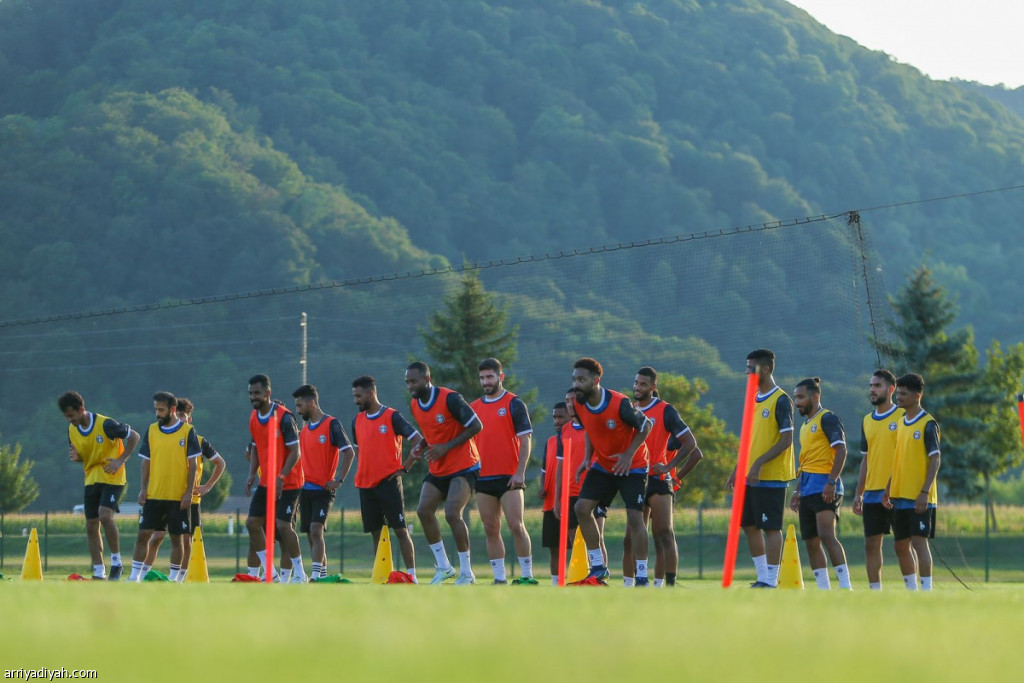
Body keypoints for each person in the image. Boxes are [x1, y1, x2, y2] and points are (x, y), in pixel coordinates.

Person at [570, 358, 653, 585]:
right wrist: (587, 458)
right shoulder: (578, 403)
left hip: (633, 466)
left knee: (635, 518)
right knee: (581, 508)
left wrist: (628, 455)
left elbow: (646, 426)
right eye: (574, 379)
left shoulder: (619, 403)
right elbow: (590, 428)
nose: (576, 384)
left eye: (581, 380)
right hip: (604, 465)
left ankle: (642, 576)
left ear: (596, 381)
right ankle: (598, 567)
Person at [623, 366, 700, 587]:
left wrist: (669, 467)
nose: (638, 387)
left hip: (658, 480)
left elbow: (691, 444)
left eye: (643, 384)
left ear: (653, 387)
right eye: (636, 383)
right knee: (630, 538)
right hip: (635, 479)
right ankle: (631, 583)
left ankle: (669, 585)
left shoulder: (665, 410)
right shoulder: (629, 410)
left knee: (664, 533)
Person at [406, 361, 483, 585]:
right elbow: (431, 432)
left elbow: (476, 425)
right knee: (423, 511)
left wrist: (446, 447)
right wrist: (420, 446)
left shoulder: (450, 398)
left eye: (414, 381)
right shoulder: (414, 405)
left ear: (427, 379)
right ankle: (444, 567)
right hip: (439, 468)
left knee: (452, 514)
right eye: (407, 382)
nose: (410, 386)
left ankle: (467, 573)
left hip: (464, 466)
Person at [726, 349, 795, 588]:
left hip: (772, 477)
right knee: (748, 525)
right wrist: (738, 468)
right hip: (749, 476)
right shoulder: (752, 399)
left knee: (771, 528)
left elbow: (787, 440)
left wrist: (758, 462)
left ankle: (771, 580)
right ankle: (762, 577)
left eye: (751, 368)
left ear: (765, 369)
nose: (747, 372)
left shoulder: (781, 400)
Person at [58, 391, 141, 581]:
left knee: (104, 515)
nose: (69, 420)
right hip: (91, 479)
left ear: (81, 409)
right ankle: (98, 571)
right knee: (91, 524)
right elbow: (82, 455)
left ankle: (117, 563)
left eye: (71, 415)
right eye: (66, 417)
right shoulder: (72, 430)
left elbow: (134, 436)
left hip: (113, 477)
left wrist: (121, 460)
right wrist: (78, 458)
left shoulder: (106, 424)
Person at [142, 397, 226, 581]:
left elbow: (220, 463)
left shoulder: (199, 441)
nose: (179, 419)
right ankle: (141, 574)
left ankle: (178, 579)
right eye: (177, 415)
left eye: (182, 415)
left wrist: (207, 486)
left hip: (189, 500)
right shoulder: (164, 436)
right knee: (156, 537)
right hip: (165, 496)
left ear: (189, 418)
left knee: (186, 541)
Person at [470, 358, 536, 585]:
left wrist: (520, 472)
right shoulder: (474, 407)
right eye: (482, 378)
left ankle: (527, 575)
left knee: (516, 525)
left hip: (510, 478)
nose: (485, 382)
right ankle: (499, 578)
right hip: (483, 478)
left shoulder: (514, 403)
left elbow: (526, 441)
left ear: (501, 377)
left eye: (490, 377)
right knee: (491, 528)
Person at [351, 375, 422, 582]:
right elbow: (361, 451)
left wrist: (405, 468)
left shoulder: (392, 417)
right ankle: (383, 576)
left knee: (400, 530)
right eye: (354, 396)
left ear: (371, 393)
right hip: (366, 485)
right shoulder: (356, 421)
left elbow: (418, 440)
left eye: (359, 396)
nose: (356, 400)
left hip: (389, 483)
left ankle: (412, 576)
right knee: (377, 533)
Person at [127, 392, 200, 582]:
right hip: (154, 495)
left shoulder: (187, 431)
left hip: (177, 497)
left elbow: (193, 464)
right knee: (143, 535)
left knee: (177, 538)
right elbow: (146, 461)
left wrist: (188, 493)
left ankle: (174, 579)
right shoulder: (152, 430)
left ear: (172, 409)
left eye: (161, 410)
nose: (157, 413)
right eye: (156, 410)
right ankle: (134, 577)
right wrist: (143, 488)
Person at [789, 378, 851, 590]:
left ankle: (846, 587)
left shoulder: (828, 418)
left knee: (826, 534)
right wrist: (797, 490)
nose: (797, 402)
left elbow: (841, 450)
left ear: (815, 396)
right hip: (807, 488)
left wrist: (832, 482)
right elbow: (806, 462)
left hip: (826, 486)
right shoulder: (805, 426)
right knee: (811, 540)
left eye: (801, 397)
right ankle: (824, 589)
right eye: (796, 397)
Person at [245, 374, 307, 583]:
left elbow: (295, 452)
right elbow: (255, 448)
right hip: (266, 482)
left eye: (257, 393)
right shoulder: (254, 418)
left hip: (289, 482)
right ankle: (270, 572)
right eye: (250, 393)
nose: (253, 397)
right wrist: (251, 474)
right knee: (252, 523)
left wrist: (282, 475)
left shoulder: (285, 417)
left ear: (268, 393)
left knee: (283, 526)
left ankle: (300, 574)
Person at [883, 373, 941, 591]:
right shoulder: (900, 423)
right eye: (898, 393)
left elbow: (935, 459)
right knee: (900, 545)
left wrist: (924, 492)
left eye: (903, 394)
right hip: (899, 496)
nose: (898, 397)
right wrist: (889, 487)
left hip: (919, 496)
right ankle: (911, 591)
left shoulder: (928, 424)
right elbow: (899, 459)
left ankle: (926, 591)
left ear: (917, 396)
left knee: (919, 543)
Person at [293, 384, 354, 581]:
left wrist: (339, 479)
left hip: (323, 490)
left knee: (316, 529)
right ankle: (323, 577)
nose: (298, 410)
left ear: (311, 403)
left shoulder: (331, 424)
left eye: (300, 405)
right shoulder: (304, 431)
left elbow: (349, 452)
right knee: (310, 534)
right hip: (305, 490)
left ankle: (315, 576)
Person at [853, 369, 903, 590]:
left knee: (904, 544)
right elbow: (866, 459)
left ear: (891, 389)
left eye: (877, 386)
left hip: (898, 492)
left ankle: (914, 591)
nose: (872, 390)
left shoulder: (902, 416)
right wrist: (859, 493)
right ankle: (875, 592)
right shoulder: (867, 420)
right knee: (871, 545)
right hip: (872, 494)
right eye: (871, 386)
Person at [556, 389, 609, 570]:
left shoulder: (594, 424)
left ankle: (600, 574)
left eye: (573, 400)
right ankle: (582, 575)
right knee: (574, 538)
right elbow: (561, 466)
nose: (570, 404)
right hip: (571, 491)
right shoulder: (565, 430)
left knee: (597, 535)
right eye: (567, 401)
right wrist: (558, 498)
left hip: (594, 490)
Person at [539, 402, 570, 585]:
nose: (556, 421)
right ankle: (555, 582)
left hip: (570, 501)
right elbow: (544, 469)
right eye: (554, 417)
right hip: (551, 504)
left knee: (576, 545)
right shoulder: (550, 441)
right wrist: (542, 486)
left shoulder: (574, 438)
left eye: (560, 417)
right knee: (554, 548)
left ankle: (582, 578)